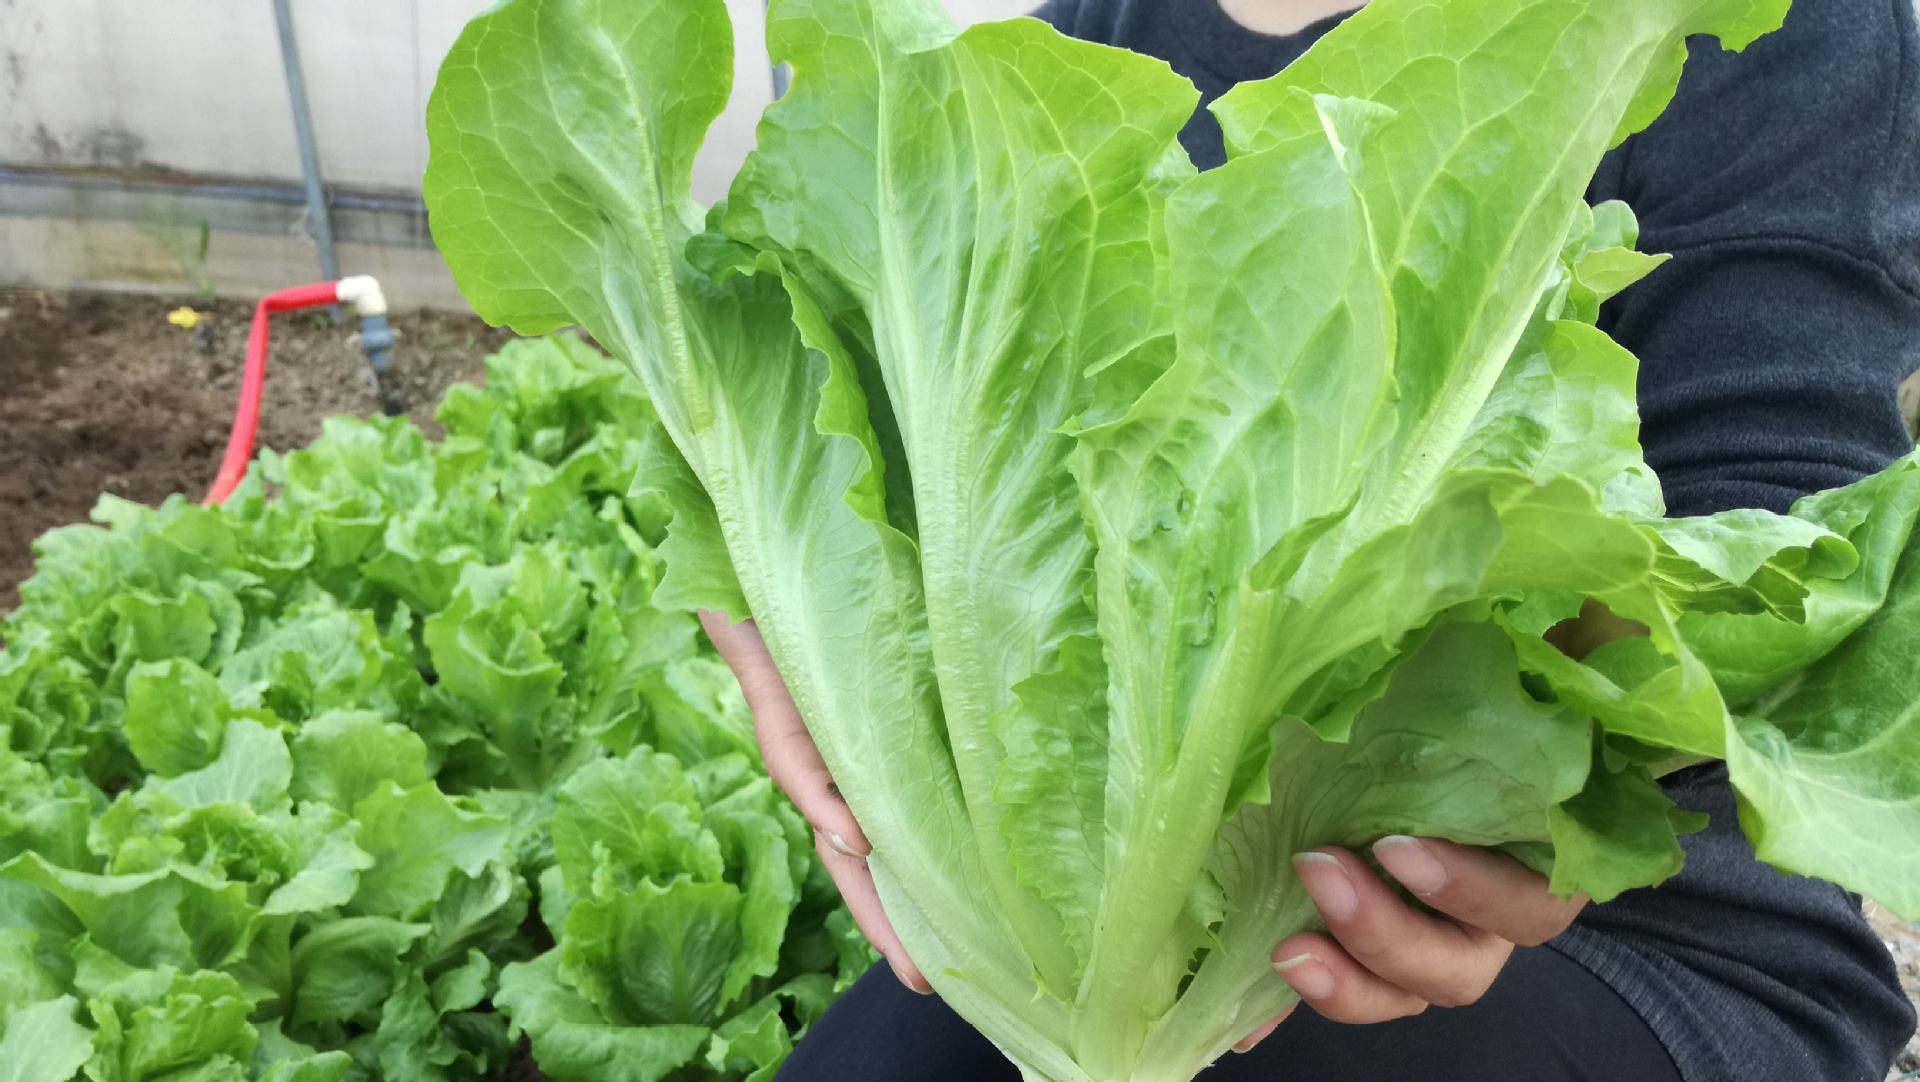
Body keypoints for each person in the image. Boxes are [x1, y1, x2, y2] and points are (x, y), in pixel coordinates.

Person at [704, 0, 1920, 1078]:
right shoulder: (1097, 27)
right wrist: (796, 609)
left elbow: (1785, 543)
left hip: (1642, 928)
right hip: (1155, 932)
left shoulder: (1785, 32)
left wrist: (1504, 722)